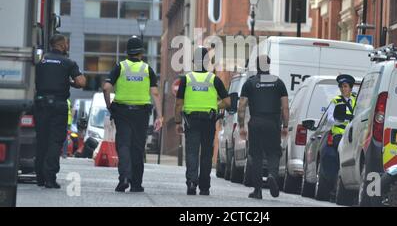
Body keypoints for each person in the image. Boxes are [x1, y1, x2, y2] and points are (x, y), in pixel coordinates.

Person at [103, 36, 163, 193]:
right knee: (137, 147)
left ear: (127, 52)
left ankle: (123, 178)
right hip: (141, 114)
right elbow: (155, 93)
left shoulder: (120, 67)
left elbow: (106, 87)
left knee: (123, 144)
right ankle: (136, 184)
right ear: (141, 53)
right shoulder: (147, 69)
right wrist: (160, 116)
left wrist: (109, 105)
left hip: (122, 111)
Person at [174, 47, 230, 196]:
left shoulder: (186, 79)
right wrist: (214, 106)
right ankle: (204, 186)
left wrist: (178, 122)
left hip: (191, 121)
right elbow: (228, 102)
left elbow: (179, 103)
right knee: (206, 154)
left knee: (192, 152)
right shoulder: (214, 79)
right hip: (208, 121)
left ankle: (192, 182)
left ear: (193, 62)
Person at [35, 34, 86, 188]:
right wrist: (69, 82)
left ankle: (39, 177)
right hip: (58, 105)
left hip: (41, 104)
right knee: (55, 141)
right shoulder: (67, 62)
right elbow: (81, 82)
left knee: (42, 139)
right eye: (67, 43)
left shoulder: (41, 60)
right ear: (62, 45)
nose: (68, 45)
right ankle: (50, 178)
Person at [238, 55, 289, 200]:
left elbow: (242, 106)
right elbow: (285, 107)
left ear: (257, 66)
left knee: (256, 155)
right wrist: (285, 125)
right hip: (273, 123)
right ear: (269, 65)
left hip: (255, 123)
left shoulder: (250, 83)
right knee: (273, 152)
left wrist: (241, 126)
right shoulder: (278, 83)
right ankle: (272, 174)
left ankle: (258, 190)